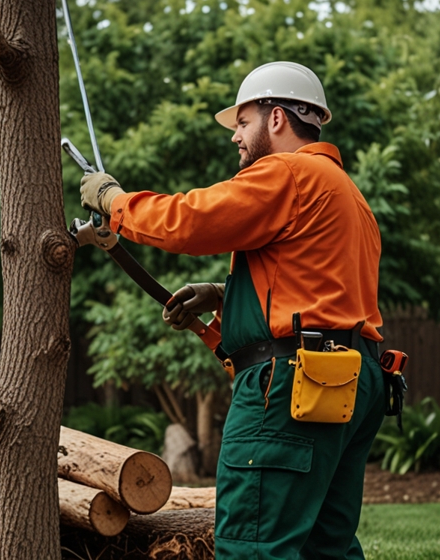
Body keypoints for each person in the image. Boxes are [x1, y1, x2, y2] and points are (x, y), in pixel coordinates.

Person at [80, 61, 386, 559]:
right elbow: (322, 288)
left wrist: (116, 201)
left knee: (253, 546)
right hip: (350, 383)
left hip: (292, 387)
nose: (235, 137)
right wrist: (225, 295)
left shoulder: (287, 171)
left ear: (278, 118)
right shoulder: (347, 193)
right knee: (324, 548)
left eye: (243, 123)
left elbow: (191, 221)